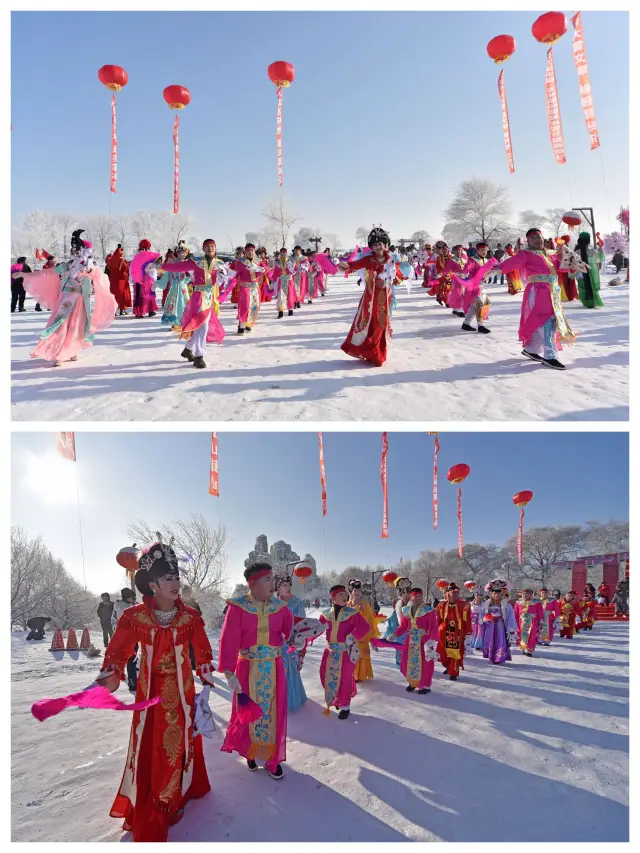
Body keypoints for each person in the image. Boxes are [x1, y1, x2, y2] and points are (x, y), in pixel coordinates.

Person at [95, 540, 215, 841]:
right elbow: (118, 649)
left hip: (182, 692)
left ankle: (174, 796)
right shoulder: (134, 616)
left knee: (177, 742)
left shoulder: (189, 616)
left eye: (177, 577)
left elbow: (201, 646)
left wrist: (204, 667)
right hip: (150, 694)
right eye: (168, 579)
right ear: (152, 584)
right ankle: (159, 801)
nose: (176, 583)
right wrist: (112, 673)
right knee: (153, 745)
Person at [218, 562, 294, 780]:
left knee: (273, 710)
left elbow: (291, 632)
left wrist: (300, 638)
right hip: (247, 669)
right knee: (249, 712)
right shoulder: (238, 607)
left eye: (273, 579)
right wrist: (229, 673)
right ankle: (251, 752)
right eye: (267, 580)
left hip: (274, 668)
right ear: (252, 584)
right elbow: (228, 641)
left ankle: (272, 758)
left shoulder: (280, 607)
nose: (272, 584)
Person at [22, 230, 117, 367]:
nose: (74, 252)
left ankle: (71, 350)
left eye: (77, 249)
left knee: (76, 326)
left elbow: (93, 273)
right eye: (73, 250)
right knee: (61, 324)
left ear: (83, 251)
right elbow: (50, 272)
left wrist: (88, 266)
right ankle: (59, 353)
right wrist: (26, 275)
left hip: (80, 300)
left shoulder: (88, 264)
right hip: (66, 299)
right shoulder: (68, 265)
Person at [495, 227, 576, 370]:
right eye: (534, 238)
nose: (538, 240)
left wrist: (571, 260)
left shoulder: (550, 254)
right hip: (537, 290)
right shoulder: (525, 254)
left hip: (552, 291)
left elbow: (561, 267)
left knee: (547, 320)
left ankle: (532, 349)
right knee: (546, 321)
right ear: (529, 241)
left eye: (539, 237)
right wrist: (495, 269)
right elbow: (511, 263)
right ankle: (550, 356)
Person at [162, 239, 235, 369]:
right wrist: (161, 266)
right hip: (198, 297)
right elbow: (179, 267)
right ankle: (199, 355)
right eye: (207, 246)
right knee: (203, 327)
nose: (210, 248)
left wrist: (224, 276)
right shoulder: (197, 261)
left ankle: (188, 349)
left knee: (200, 326)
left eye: (212, 246)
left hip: (210, 297)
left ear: (215, 248)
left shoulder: (219, 263)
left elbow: (226, 279)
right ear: (203, 248)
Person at [338, 226, 404, 367]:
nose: (378, 246)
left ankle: (378, 352)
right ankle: (372, 351)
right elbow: (353, 265)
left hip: (385, 298)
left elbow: (398, 277)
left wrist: (396, 277)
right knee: (370, 323)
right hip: (371, 298)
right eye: (375, 244)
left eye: (380, 243)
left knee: (381, 323)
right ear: (371, 247)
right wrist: (344, 265)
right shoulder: (368, 259)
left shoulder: (390, 260)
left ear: (385, 245)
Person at [318, 585, 370, 719]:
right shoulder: (326, 615)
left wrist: (352, 635)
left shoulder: (352, 613)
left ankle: (345, 705)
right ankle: (336, 698)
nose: (344, 596)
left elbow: (365, 627)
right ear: (333, 598)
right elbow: (317, 629)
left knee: (345, 679)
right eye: (340, 594)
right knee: (326, 675)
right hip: (330, 652)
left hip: (346, 653)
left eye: (345, 594)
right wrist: (303, 638)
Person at [388, 587, 439, 694]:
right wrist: (394, 634)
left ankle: (425, 685)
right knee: (408, 661)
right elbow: (403, 626)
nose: (418, 598)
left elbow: (434, 626)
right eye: (415, 596)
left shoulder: (428, 610)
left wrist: (432, 640)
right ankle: (413, 682)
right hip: (411, 641)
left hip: (424, 641)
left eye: (420, 596)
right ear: (411, 597)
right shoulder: (406, 610)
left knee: (425, 663)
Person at [275, 573, 308, 711]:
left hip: (291, 641)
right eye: (283, 585)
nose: (287, 588)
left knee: (291, 668)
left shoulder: (297, 603)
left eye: (289, 585)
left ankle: (291, 700)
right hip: (275, 642)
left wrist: (300, 647)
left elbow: (303, 625)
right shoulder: (273, 602)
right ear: (278, 587)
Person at [436, 583, 472, 680]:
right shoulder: (441, 605)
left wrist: (468, 633)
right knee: (443, 652)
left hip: (458, 632)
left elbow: (467, 619)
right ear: (447, 594)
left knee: (455, 653)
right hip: (445, 632)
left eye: (457, 593)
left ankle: (454, 672)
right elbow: (438, 619)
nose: (456, 595)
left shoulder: (464, 605)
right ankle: (448, 666)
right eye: (453, 593)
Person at [347, 579, 380, 682]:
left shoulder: (365, 604)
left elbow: (370, 620)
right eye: (355, 591)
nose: (357, 593)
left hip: (363, 634)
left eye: (359, 591)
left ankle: (359, 675)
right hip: (351, 634)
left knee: (361, 652)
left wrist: (373, 636)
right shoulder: (347, 605)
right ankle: (351, 674)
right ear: (351, 592)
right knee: (350, 652)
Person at [480, 581, 517, 664]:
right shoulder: (486, 604)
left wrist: (510, 628)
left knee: (500, 641)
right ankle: (491, 656)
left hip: (500, 626)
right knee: (490, 641)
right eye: (494, 593)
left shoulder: (506, 604)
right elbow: (482, 615)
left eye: (498, 593)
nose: (496, 595)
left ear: (502, 594)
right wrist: (484, 619)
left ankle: (498, 657)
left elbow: (510, 616)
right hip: (490, 626)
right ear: (491, 593)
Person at [234, 243, 267, 335]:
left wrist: (260, 269)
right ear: (245, 252)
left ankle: (249, 324)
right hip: (244, 287)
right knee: (245, 306)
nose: (250, 252)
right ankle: (241, 326)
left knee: (254, 306)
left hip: (255, 288)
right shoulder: (240, 262)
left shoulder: (258, 261)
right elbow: (236, 273)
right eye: (248, 250)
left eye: (252, 250)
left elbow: (265, 270)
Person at [112, 588, 139, 692]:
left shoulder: (122, 605)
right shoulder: (125, 608)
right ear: (127, 597)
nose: (134, 599)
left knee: (131, 658)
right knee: (131, 660)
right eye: (133, 597)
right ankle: (133, 684)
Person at [161, 242, 192, 329]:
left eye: (184, 252)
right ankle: (175, 323)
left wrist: (188, 278)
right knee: (173, 304)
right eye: (179, 252)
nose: (182, 254)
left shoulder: (188, 264)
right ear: (176, 253)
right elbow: (167, 274)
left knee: (184, 304)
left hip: (183, 287)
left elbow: (190, 276)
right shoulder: (173, 264)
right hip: (174, 287)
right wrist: (158, 283)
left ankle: (184, 322)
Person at [383, 577, 412, 669]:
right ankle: (401, 664)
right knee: (400, 648)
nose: (405, 594)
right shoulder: (398, 604)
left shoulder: (413, 603)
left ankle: (409, 665)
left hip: (411, 631)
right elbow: (396, 618)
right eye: (403, 593)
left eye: (407, 592)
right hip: (401, 630)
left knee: (411, 649)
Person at [575, 231, 605, 309]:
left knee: (583, 287)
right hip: (591, 272)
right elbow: (600, 257)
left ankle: (586, 301)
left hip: (580, 272)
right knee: (591, 286)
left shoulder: (576, 252)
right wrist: (600, 247)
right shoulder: (592, 251)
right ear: (588, 241)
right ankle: (592, 301)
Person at [130, 240, 159, 318]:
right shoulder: (150, 256)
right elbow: (153, 269)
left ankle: (139, 313)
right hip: (148, 279)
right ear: (148, 247)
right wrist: (154, 278)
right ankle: (150, 311)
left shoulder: (136, 257)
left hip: (138, 280)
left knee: (139, 295)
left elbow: (132, 269)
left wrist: (133, 279)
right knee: (149, 295)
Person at [513, 589, 545, 657]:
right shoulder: (518, 602)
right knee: (522, 635)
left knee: (532, 635)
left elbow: (540, 613)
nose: (525, 595)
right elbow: (515, 613)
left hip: (533, 621)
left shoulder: (536, 602)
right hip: (521, 621)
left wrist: (541, 622)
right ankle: (524, 648)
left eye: (527, 593)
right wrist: (514, 623)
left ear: (531, 594)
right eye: (524, 593)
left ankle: (529, 649)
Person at [107, 245, 131, 315]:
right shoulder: (121, 260)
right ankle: (122, 310)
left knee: (114, 295)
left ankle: (113, 310)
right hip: (121, 280)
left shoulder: (112, 260)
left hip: (113, 280)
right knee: (122, 295)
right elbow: (124, 270)